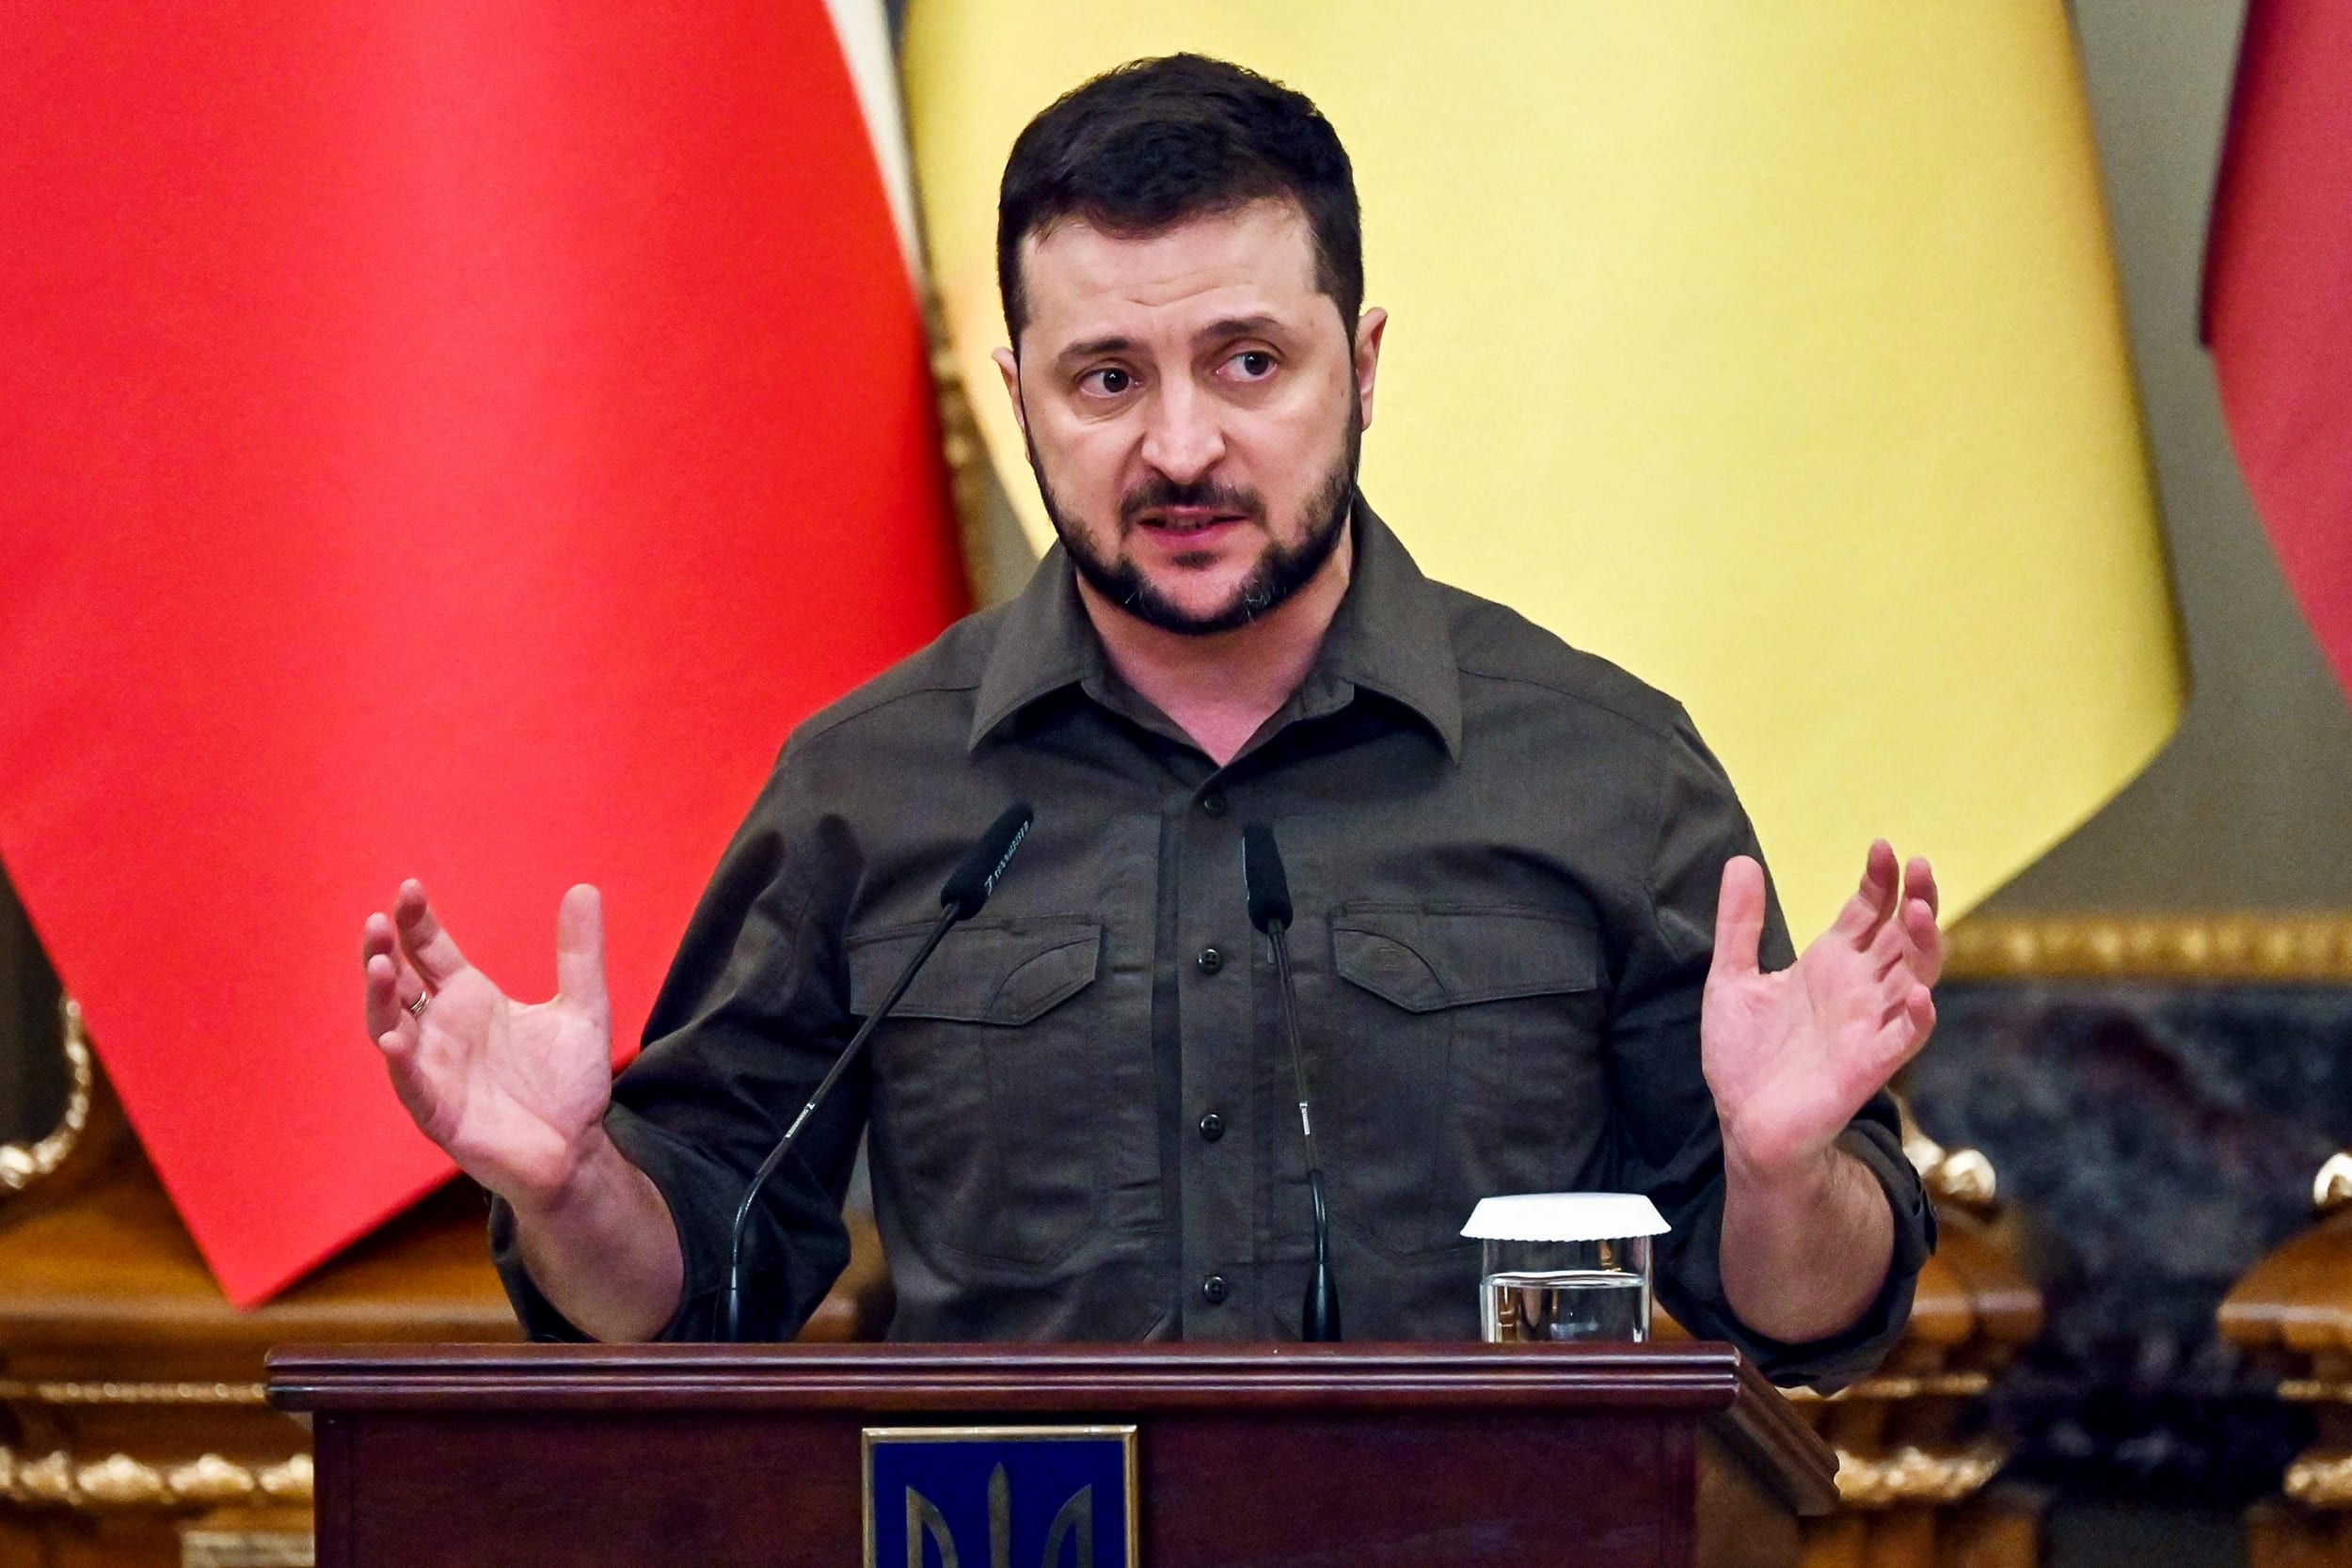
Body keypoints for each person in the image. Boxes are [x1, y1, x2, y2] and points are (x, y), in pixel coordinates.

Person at [359, 54, 1938, 1386]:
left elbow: (1806, 1324)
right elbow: (698, 1290)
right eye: (1107, 380)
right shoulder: (869, 788)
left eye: (1248, 363)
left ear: (1364, 366)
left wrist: (1782, 1172)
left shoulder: (1607, 775)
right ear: (1018, 390)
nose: (1182, 446)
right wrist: (570, 1189)